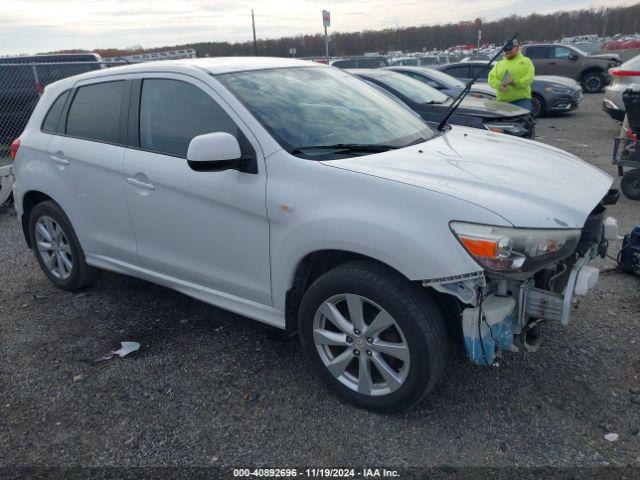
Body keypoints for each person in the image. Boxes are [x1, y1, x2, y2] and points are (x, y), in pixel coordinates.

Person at [488, 39, 535, 112]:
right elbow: (491, 79)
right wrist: (500, 86)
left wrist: (515, 83)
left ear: (517, 47)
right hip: (502, 102)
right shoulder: (499, 64)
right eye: (505, 49)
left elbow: (529, 78)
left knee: (522, 122)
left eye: (510, 49)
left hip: (522, 101)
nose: (507, 51)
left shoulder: (526, 61)